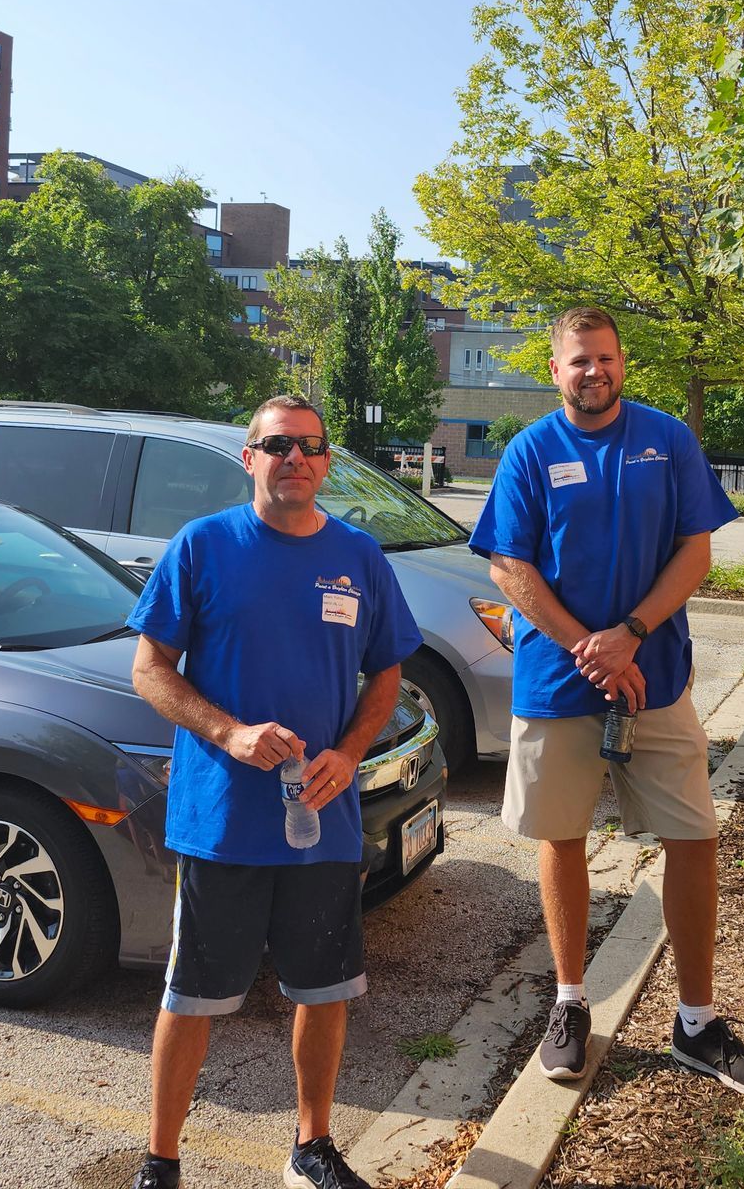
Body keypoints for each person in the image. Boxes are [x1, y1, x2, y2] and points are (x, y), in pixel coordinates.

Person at [468, 306, 744, 1095]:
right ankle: (570, 1004)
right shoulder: (531, 450)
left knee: (694, 836)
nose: (592, 372)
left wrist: (632, 633)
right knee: (560, 836)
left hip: (654, 676)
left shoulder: (666, 438)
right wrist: (589, 645)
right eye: (577, 360)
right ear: (555, 367)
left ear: (622, 363)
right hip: (559, 681)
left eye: (603, 358)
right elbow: (508, 567)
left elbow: (695, 549)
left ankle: (697, 1022)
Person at [125, 394, 422, 1189]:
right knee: (193, 995)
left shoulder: (360, 556)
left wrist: (350, 754)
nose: (296, 459)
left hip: (323, 820)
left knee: (324, 989)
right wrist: (228, 734)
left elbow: (388, 671)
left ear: (327, 463)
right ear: (248, 458)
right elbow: (149, 668)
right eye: (277, 445)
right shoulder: (203, 546)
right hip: (223, 821)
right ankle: (160, 1162)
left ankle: (311, 1147)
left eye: (311, 446)